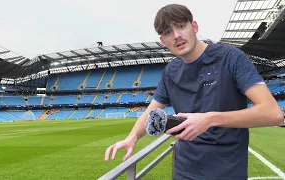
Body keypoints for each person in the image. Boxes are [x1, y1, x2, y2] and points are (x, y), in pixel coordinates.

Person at [104, 4, 284, 180]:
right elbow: (151, 111)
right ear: (163, 41)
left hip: (227, 172)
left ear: (195, 26)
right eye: (167, 32)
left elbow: (273, 114)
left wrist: (209, 119)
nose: (176, 36)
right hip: (183, 171)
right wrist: (132, 137)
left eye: (181, 26)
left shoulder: (231, 58)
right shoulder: (170, 72)